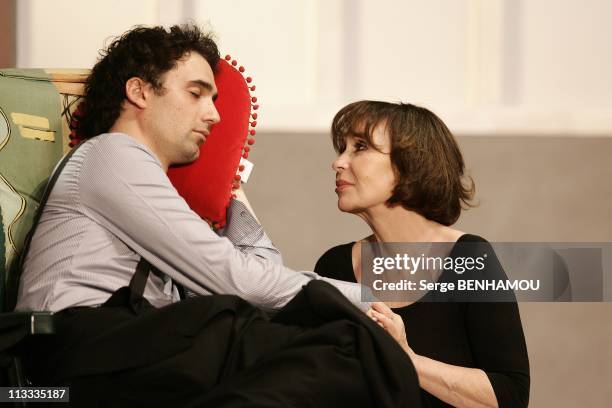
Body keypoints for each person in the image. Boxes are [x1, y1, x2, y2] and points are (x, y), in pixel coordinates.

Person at [14, 27, 422, 407]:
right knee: (343, 344)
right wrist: (367, 300)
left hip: (135, 349)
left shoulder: (468, 253)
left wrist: (230, 191)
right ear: (139, 91)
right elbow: (234, 278)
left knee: (334, 346)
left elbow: (257, 274)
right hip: (75, 351)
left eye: (360, 148)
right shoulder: (112, 156)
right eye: (196, 93)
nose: (215, 115)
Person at [315, 101, 530, 408]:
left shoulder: (470, 259)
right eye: (342, 148)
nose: (338, 162)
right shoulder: (334, 266)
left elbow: (510, 396)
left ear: (408, 165)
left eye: (359, 147)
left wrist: (408, 361)